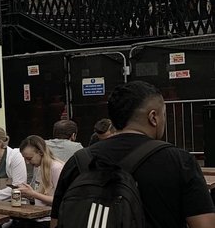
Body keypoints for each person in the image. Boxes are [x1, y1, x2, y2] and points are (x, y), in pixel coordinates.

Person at [50, 81, 215, 228]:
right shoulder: (179, 161)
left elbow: (57, 222)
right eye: (164, 114)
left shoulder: (78, 161)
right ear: (153, 117)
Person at [17, 135, 64, 228]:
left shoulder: (56, 168)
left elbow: (60, 200)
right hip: (38, 216)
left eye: (29, 158)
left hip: (49, 219)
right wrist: (29, 195)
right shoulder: (39, 167)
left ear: (40, 152)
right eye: (25, 159)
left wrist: (33, 194)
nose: (27, 162)